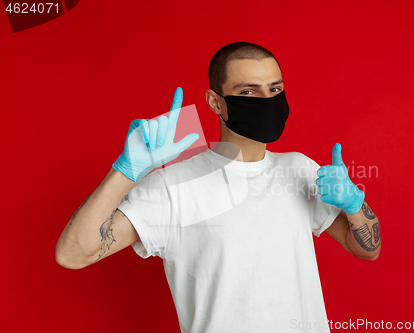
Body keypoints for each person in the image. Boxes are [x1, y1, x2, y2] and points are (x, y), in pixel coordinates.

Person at [55, 41, 381, 333]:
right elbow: (72, 254)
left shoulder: (299, 168)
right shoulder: (173, 186)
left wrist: (354, 205)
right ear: (215, 102)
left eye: (275, 89)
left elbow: (367, 250)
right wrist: (126, 171)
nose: (267, 101)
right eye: (249, 92)